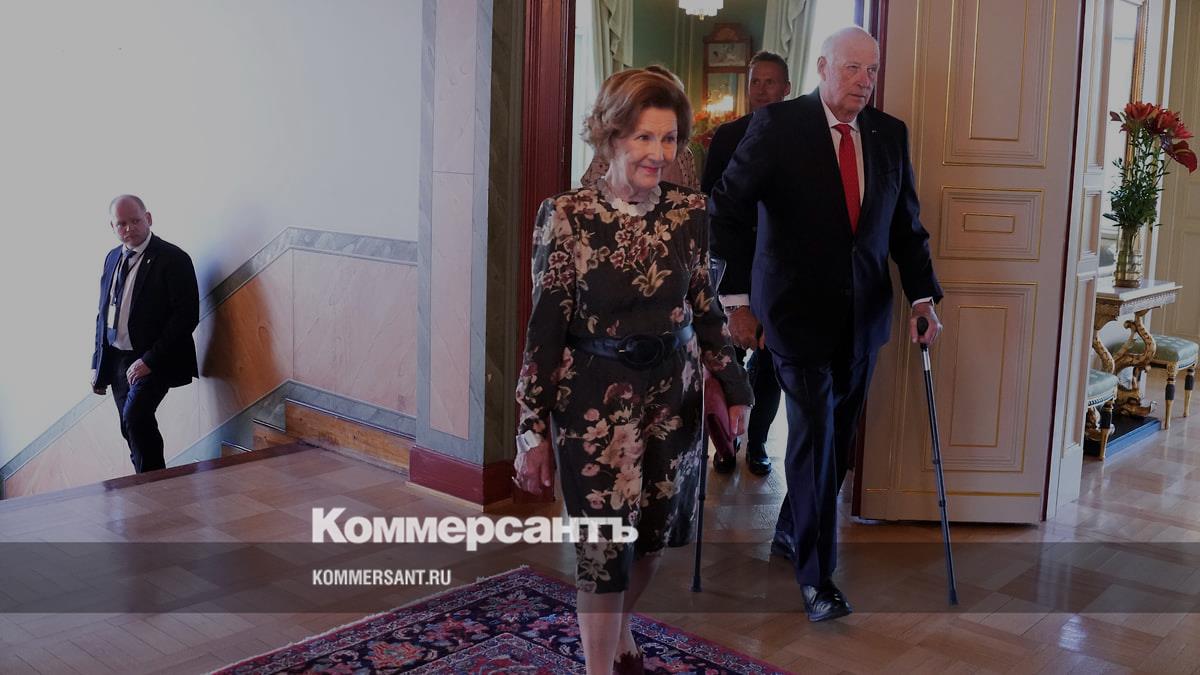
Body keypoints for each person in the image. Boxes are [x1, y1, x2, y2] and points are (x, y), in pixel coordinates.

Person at [514, 67, 753, 673]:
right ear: (612, 135)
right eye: (645, 137)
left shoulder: (689, 211)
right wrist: (531, 429)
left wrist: (734, 385)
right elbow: (543, 332)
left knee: (652, 539)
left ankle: (620, 631)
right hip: (593, 406)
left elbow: (705, 307)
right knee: (603, 553)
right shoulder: (566, 215)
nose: (659, 153)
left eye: (669, 139)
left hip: (674, 399)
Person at [709, 26, 943, 622]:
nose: (865, 81)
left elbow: (905, 227)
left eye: (873, 70)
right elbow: (726, 211)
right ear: (821, 67)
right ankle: (818, 580)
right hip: (791, 313)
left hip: (863, 315)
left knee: (836, 441)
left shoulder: (889, 135)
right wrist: (735, 300)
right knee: (813, 434)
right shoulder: (778, 126)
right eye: (852, 69)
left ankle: (793, 530)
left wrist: (922, 299)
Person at [700, 50, 791, 477]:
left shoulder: (800, 137)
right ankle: (726, 441)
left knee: (770, 359)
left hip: (779, 266)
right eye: (755, 81)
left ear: (786, 88)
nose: (761, 89)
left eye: (770, 82)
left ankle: (757, 443)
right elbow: (710, 202)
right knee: (727, 355)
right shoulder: (727, 136)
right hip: (732, 262)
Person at [91, 195, 200, 473]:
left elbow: (186, 316)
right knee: (130, 428)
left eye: (135, 221)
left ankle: (153, 487)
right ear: (112, 227)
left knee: (136, 417)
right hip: (118, 358)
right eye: (121, 224)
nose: (129, 228)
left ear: (148, 218)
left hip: (155, 357)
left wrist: (149, 361)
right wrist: (97, 365)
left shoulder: (173, 259)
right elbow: (103, 314)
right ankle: (148, 483)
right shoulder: (112, 258)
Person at [580, 66, 700, 190]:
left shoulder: (695, 201)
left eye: (669, 139)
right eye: (644, 138)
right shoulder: (573, 203)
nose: (658, 156)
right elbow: (590, 181)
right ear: (611, 139)